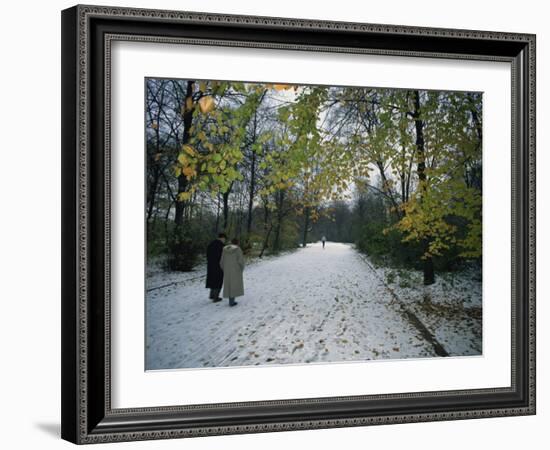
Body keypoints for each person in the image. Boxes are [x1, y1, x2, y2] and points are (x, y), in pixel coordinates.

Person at [220, 238, 245, 307]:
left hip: (227, 270)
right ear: (237, 243)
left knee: (228, 284)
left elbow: (221, 261)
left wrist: (224, 268)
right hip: (235, 270)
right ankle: (232, 301)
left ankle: (230, 300)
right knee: (234, 285)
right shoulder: (238, 249)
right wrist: (241, 268)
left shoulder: (224, 250)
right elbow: (241, 261)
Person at [205, 232, 226, 302]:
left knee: (212, 280)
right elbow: (223, 256)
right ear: (222, 238)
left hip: (211, 265)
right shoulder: (222, 245)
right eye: (224, 239)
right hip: (219, 266)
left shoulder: (211, 244)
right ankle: (216, 297)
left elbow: (207, 254)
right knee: (218, 280)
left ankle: (211, 295)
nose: (224, 240)